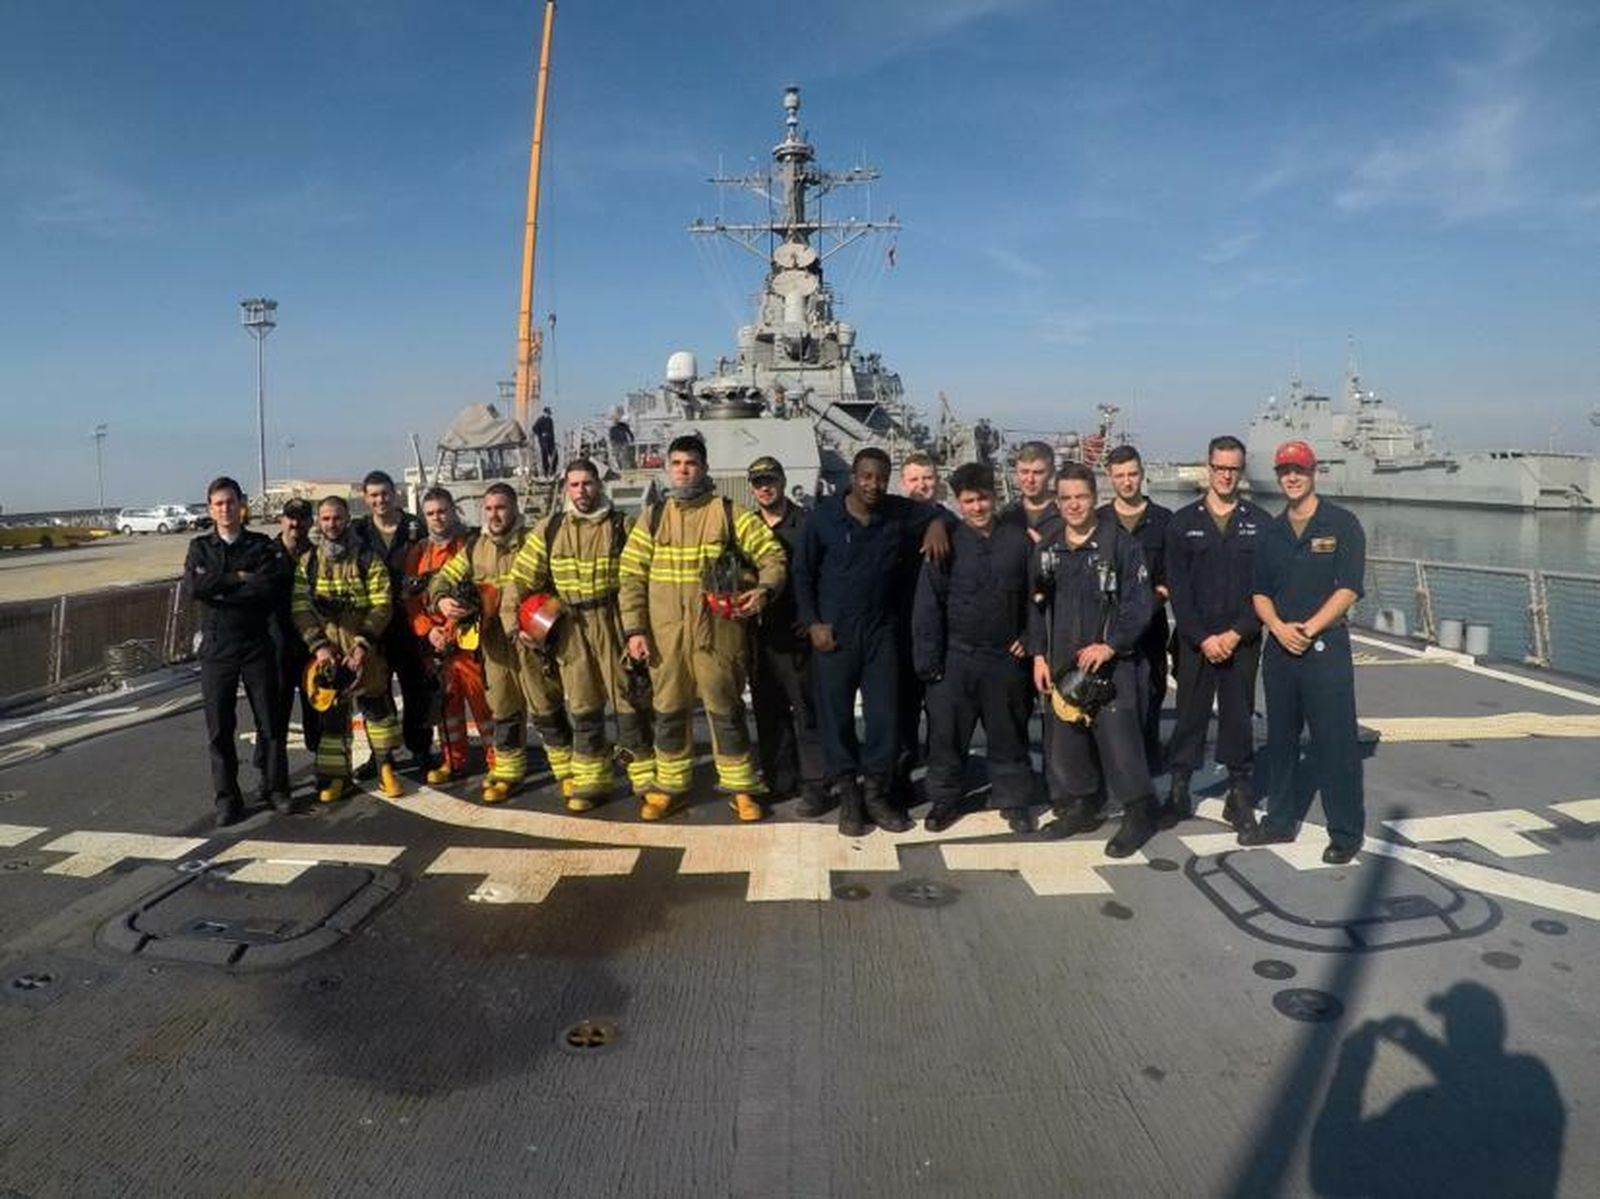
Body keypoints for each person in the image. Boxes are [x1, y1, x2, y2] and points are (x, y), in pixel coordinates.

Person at [618, 435, 786, 822]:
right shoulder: (652, 518)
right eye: (676, 463)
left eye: (690, 463)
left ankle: (741, 787)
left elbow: (771, 555)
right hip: (665, 636)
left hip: (717, 635)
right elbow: (630, 577)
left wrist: (763, 589)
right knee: (669, 712)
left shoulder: (729, 514)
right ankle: (671, 787)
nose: (683, 470)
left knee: (725, 710)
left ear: (704, 467)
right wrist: (635, 630)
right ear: (667, 468)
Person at [793, 447, 950, 836]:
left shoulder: (897, 511)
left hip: (881, 634)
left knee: (884, 717)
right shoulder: (823, 517)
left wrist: (936, 525)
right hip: (835, 635)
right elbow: (802, 573)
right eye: (865, 476)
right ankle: (848, 793)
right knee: (837, 717)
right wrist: (812, 622)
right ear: (853, 476)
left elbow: (934, 510)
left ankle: (876, 794)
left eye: (880, 477)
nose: (872, 485)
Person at [1242, 439, 1367, 864]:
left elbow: (1349, 587)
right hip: (1280, 653)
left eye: (1299, 470)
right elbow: (1259, 592)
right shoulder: (1270, 533)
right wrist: (1278, 628)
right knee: (1280, 742)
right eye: (1284, 471)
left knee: (1335, 744)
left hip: (1324, 649)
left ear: (1314, 473)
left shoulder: (1343, 524)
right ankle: (1278, 823)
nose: (1291, 477)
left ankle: (1346, 832)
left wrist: (1309, 628)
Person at [504, 460, 656, 809]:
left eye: (587, 484)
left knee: (628, 701)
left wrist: (639, 628)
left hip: (612, 621)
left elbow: (641, 578)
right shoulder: (550, 529)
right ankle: (592, 780)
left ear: (599, 485)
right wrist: (515, 625)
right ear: (566, 488)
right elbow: (521, 579)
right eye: (574, 485)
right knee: (584, 705)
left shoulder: (623, 526)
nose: (581, 491)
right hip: (570, 626)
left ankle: (645, 776)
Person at [1028, 463, 1159, 858]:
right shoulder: (1048, 548)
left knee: (1121, 744)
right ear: (1057, 501)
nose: (1073, 505)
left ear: (1094, 498)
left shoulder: (1120, 545)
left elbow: (1140, 604)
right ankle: (1083, 804)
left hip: (1111, 665)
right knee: (1068, 743)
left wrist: (1111, 645)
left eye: (1081, 497)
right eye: (1065, 498)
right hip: (1064, 662)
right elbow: (1033, 604)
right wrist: (1038, 654)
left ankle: (1139, 812)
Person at [912, 463, 1037, 834]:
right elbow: (928, 604)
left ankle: (1013, 798)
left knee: (1008, 732)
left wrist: (1031, 637)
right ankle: (946, 799)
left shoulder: (1019, 542)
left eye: (983, 499)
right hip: (956, 657)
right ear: (958, 502)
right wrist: (929, 665)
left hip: (1004, 657)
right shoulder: (944, 542)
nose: (978, 507)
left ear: (994, 498)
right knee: (947, 735)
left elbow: (1037, 596)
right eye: (969, 501)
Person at [431, 482, 572, 803]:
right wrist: (442, 601)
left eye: (501, 507)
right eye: (490, 508)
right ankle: (509, 773)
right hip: (494, 643)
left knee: (545, 706)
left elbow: (560, 583)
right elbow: (442, 578)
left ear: (515, 508)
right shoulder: (474, 548)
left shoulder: (534, 542)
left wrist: (544, 624)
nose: (495, 515)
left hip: (530, 640)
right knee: (504, 710)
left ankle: (567, 771)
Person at [1162, 435, 1269, 832]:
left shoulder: (1260, 524)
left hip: (1242, 640)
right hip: (1196, 640)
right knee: (1190, 713)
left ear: (1240, 471)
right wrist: (1203, 636)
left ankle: (1239, 793)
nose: (1225, 475)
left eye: (1233, 469)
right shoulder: (1183, 523)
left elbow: (1265, 587)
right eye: (1219, 467)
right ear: (1208, 467)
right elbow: (1178, 587)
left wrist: (1238, 632)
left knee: (1238, 714)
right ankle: (1179, 788)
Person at [184, 476, 290, 825]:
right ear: (210, 509)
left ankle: (275, 787)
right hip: (218, 650)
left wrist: (224, 586)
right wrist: (237, 578)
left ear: (241, 504)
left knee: (270, 721)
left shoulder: (260, 545)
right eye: (218, 504)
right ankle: (228, 799)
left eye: (230, 502)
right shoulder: (199, 547)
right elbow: (195, 588)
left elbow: (267, 588)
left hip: (256, 644)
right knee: (219, 728)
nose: (225, 509)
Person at [291, 495, 405, 804]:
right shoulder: (309, 563)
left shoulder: (368, 558)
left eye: (337, 518)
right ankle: (337, 777)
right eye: (326, 518)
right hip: (328, 652)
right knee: (333, 721)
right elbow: (301, 608)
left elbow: (383, 603)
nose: (332, 524)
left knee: (377, 711)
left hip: (364, 649)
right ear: (319, 521)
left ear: (347, 519)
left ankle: (386, 770)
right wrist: (320, 647)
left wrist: (362, 644)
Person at [745, 455, 829, 816]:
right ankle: (781, 780)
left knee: (808, 711)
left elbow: (824, 577)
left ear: (782, 481)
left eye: (770, 480)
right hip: (760, 636)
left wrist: (812, 620)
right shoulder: (745, 528)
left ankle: (816, 785)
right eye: (758, 481)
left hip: (797, 634)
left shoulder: (807, 524)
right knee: (768, 710)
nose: (765, 487)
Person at [403, 486, 494, 786]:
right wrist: (429, 633)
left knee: (483, 705)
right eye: (430, 513)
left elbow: (486, 590)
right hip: (437, 647)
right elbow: (412, 601)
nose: (437, 518)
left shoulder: (473, 546)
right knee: (446, 709)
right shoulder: (417, 554)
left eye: (442, 511)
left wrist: (456, 627)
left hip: (469, 641)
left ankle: (498, 761)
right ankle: (452, 760)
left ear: (453, 510)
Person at [351, 470, 432, 777]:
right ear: (366, 498)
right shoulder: (358, 531)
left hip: (410, 623)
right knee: (375, 694)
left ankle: (421, 749)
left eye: (384, 493)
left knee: (417, 691)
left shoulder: (415, 526)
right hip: (375, 627)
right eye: (373, 495)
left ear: (394, 493)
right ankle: (380, 755)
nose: (380, 500)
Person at [1099, 445, 1173, 774]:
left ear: (1142, 474)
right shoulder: (1099, 520)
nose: (1127, 482)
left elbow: (1170, 577)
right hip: (1106, 627)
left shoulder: (1164, 521)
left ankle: (1148, 760)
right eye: (1120, 476)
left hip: (1151, 629)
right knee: (1108, 695)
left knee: (1152, 693)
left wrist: (1148, 604)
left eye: (1132, 474)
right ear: (1109, 477)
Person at [259, 497, 317, 772]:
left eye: (302, 518)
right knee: (274, 715)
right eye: (290, 517)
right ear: (281, 520)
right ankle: (269, 776)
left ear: (310, 522)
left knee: (317, 709)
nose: (296, 523)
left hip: (309, 646)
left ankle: (324, 769)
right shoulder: (265, 554)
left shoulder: (317, 556)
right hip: (276, 646)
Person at [998, 440, 1061, 542]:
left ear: (1052, 472)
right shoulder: (1008, 515)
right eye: (1024, 472)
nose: (1030, 479)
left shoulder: (1066, 513)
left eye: (1038, 473)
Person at [532, 406, 558, 477]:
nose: (548, 414)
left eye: (549, 413)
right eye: (548, 413)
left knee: (555, 456)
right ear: (545, 413)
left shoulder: (550, 420)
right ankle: (546, 472)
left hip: (551, 441)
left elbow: (552, 431)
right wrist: (541, 434)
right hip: (543, 442)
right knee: (545, 457)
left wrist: (553, 440)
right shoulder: (540, 420)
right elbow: (534, 429)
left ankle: (553, 471)